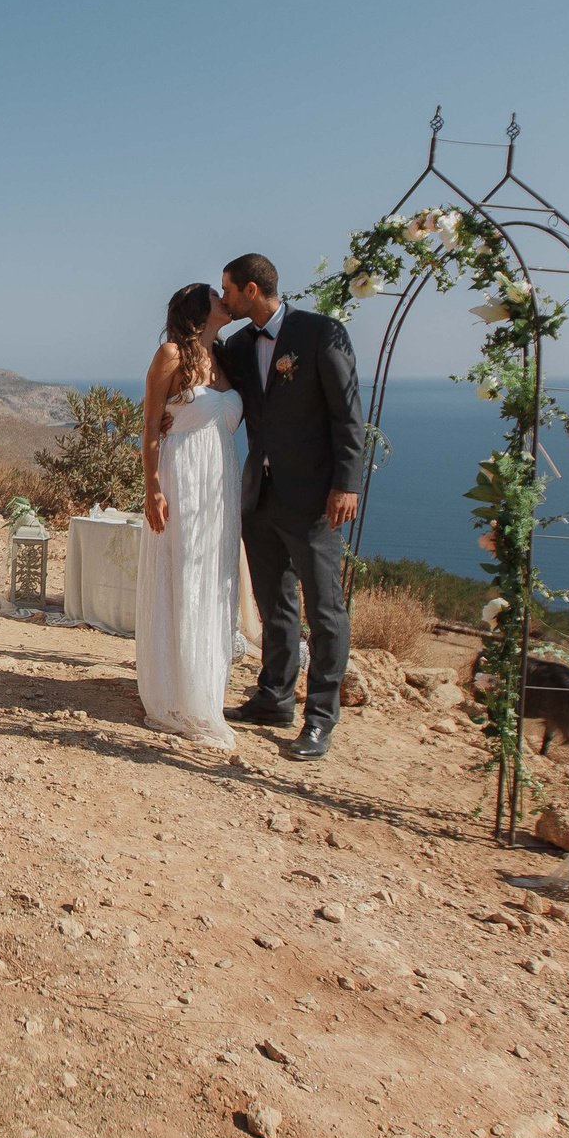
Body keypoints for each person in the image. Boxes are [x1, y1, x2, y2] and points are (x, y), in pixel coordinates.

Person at [216, 252, 365, 760]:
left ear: (252, 290)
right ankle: (274, 697)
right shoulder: (237, 344)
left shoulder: (321, 333)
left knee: (325, 609)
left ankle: (320, 718)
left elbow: (348, 415)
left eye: (229, 292)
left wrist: (346, 484)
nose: (225, 300)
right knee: (273, 600)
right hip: (259, 495)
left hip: (314, 497)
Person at [135, 283, 241, 753]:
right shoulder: (171, 354)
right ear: (202, 310)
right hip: (181, 479)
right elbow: (151, 425)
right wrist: (153, 487)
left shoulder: (225, 357)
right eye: (219, 297)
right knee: (181, 577)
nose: (227, 300)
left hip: (219, 485)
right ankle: (176, 693)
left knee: (210, 579)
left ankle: (203, 688)